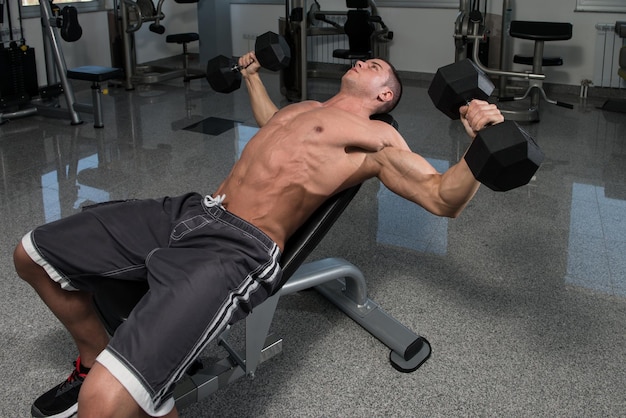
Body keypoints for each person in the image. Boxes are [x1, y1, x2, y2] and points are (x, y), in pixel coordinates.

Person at [13, 52, 505, 418]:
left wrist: (482, 143)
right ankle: (91, 357)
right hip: (191, 210)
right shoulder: (305, 108)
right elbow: (272, 124)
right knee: (32, 254)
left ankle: (111, 385)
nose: (360, 60)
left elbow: (443, 199)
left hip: (237, 247)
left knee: (105, 404)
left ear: (385, 96)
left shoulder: (378, 138)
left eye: (374, 64)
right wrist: (251, 76)